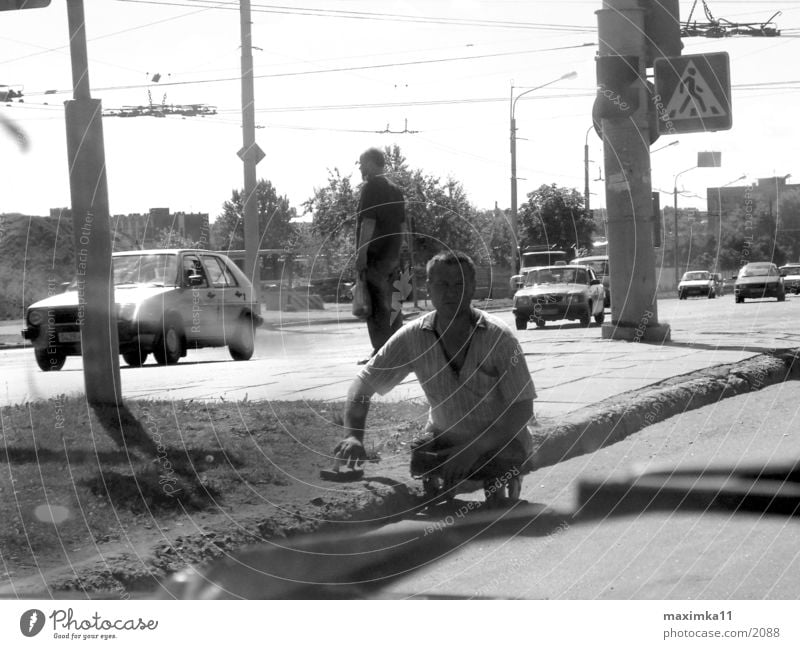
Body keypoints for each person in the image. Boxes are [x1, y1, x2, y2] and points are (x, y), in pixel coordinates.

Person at [334, 250, 536, 490]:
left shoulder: (499, 337)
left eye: (459, 284)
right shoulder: (414, 336)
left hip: (498, 441)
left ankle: (502, 484)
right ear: (428, 288)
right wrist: (353, 436)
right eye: (442, 284)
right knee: (421, 459)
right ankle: (443, 484)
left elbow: (522, 409)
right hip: (445, 439)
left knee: (500, 463)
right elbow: (363, 384)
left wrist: (473, 449)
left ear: (473, 287)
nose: (451, 292)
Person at [354, 147, 407, 362]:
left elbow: (368, 222)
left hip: (375, 256)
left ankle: (381, 352)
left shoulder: (371, 187)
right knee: (393, 305)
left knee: (376, 306)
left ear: (372, 163)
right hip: (393, 256)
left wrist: (361, 254)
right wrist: (398, 253)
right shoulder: (396, 190)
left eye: (362, 163)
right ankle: (398, 351)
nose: (361, 168)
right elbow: (403, 226)